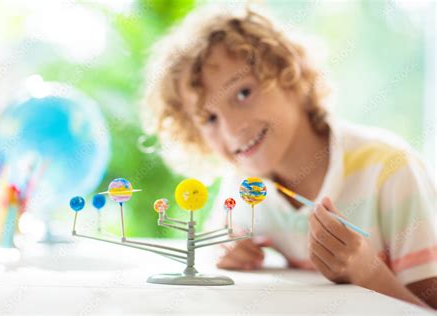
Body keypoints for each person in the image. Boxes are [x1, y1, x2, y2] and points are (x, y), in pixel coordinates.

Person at [142, 6, 436, 309]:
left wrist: (366, 271)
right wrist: (224, 250)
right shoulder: (245, 188)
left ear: (290, 75)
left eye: (243, 93)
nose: (232, 129)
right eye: (209, 119)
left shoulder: (391, 171)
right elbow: (216, 245)